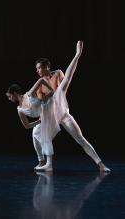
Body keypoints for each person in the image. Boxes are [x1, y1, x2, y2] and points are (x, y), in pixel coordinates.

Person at [29, 41, 110, 172]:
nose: (37, 70)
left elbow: (65, 84)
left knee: (80, 138)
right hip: (50, 115)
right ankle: (42, 161)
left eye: (39, 68)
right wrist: (49, 96)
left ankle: (100, 164)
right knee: (35, 133)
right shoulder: (39, 83)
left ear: (47, 67)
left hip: (63, 112)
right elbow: (41, 100)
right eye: (37, 68)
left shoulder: (57, 73)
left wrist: (56, 94)